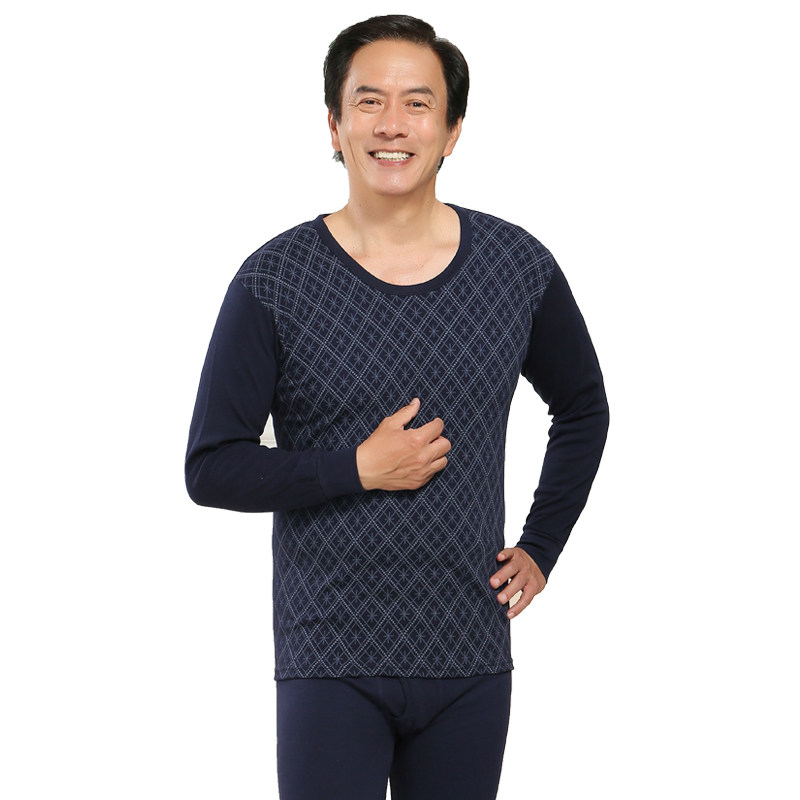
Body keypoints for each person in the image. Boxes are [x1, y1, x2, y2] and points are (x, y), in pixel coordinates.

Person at [185, 14, 609, 800]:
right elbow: (212, 467)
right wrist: (355, 468)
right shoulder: (274, 280)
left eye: (418, 103)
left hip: (468, 653)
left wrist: (542, 546)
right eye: (369, 101)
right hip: (330, 657)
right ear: (334, 125)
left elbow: (583, 407)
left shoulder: (516, 266)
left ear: (452, 131)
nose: (392, 124)